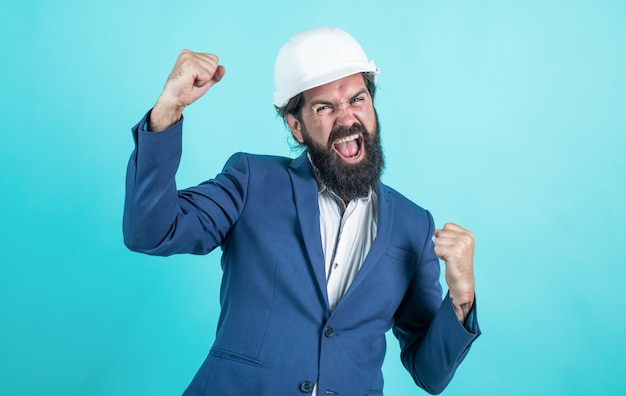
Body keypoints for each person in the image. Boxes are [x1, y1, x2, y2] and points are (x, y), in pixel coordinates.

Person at [124, 26, 480, 395]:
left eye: (357, 99)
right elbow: (151, 231)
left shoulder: (414, 224)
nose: (346, 117)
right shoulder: (252, 182)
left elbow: (431, 374)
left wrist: (462, 296)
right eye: (324, 107)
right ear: (296, 126)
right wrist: (168, 109)